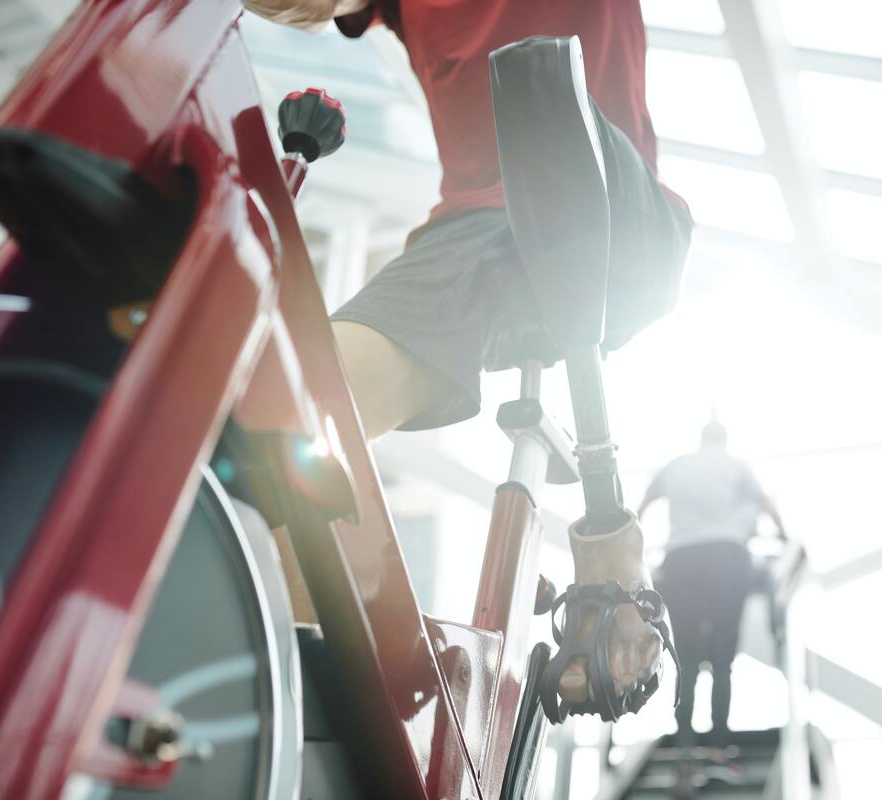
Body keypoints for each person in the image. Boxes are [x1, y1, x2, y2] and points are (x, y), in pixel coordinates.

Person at [243, 0, 693, 709]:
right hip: (471, 235)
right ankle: (308, 686)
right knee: (279, 416)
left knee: (543, 95)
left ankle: (618, 559)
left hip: (611, 207)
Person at [638, 420, 785, 745]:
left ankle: (684, 735)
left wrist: (634, 544)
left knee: (686, 654)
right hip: (728, 557)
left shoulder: (677, 465)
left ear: (700, 438)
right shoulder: (735, 465)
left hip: (681, 559)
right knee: (722, 655)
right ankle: (719, 737)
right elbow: (765, 504)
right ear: (725, 439)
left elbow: (645, 503)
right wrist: (784, 536)